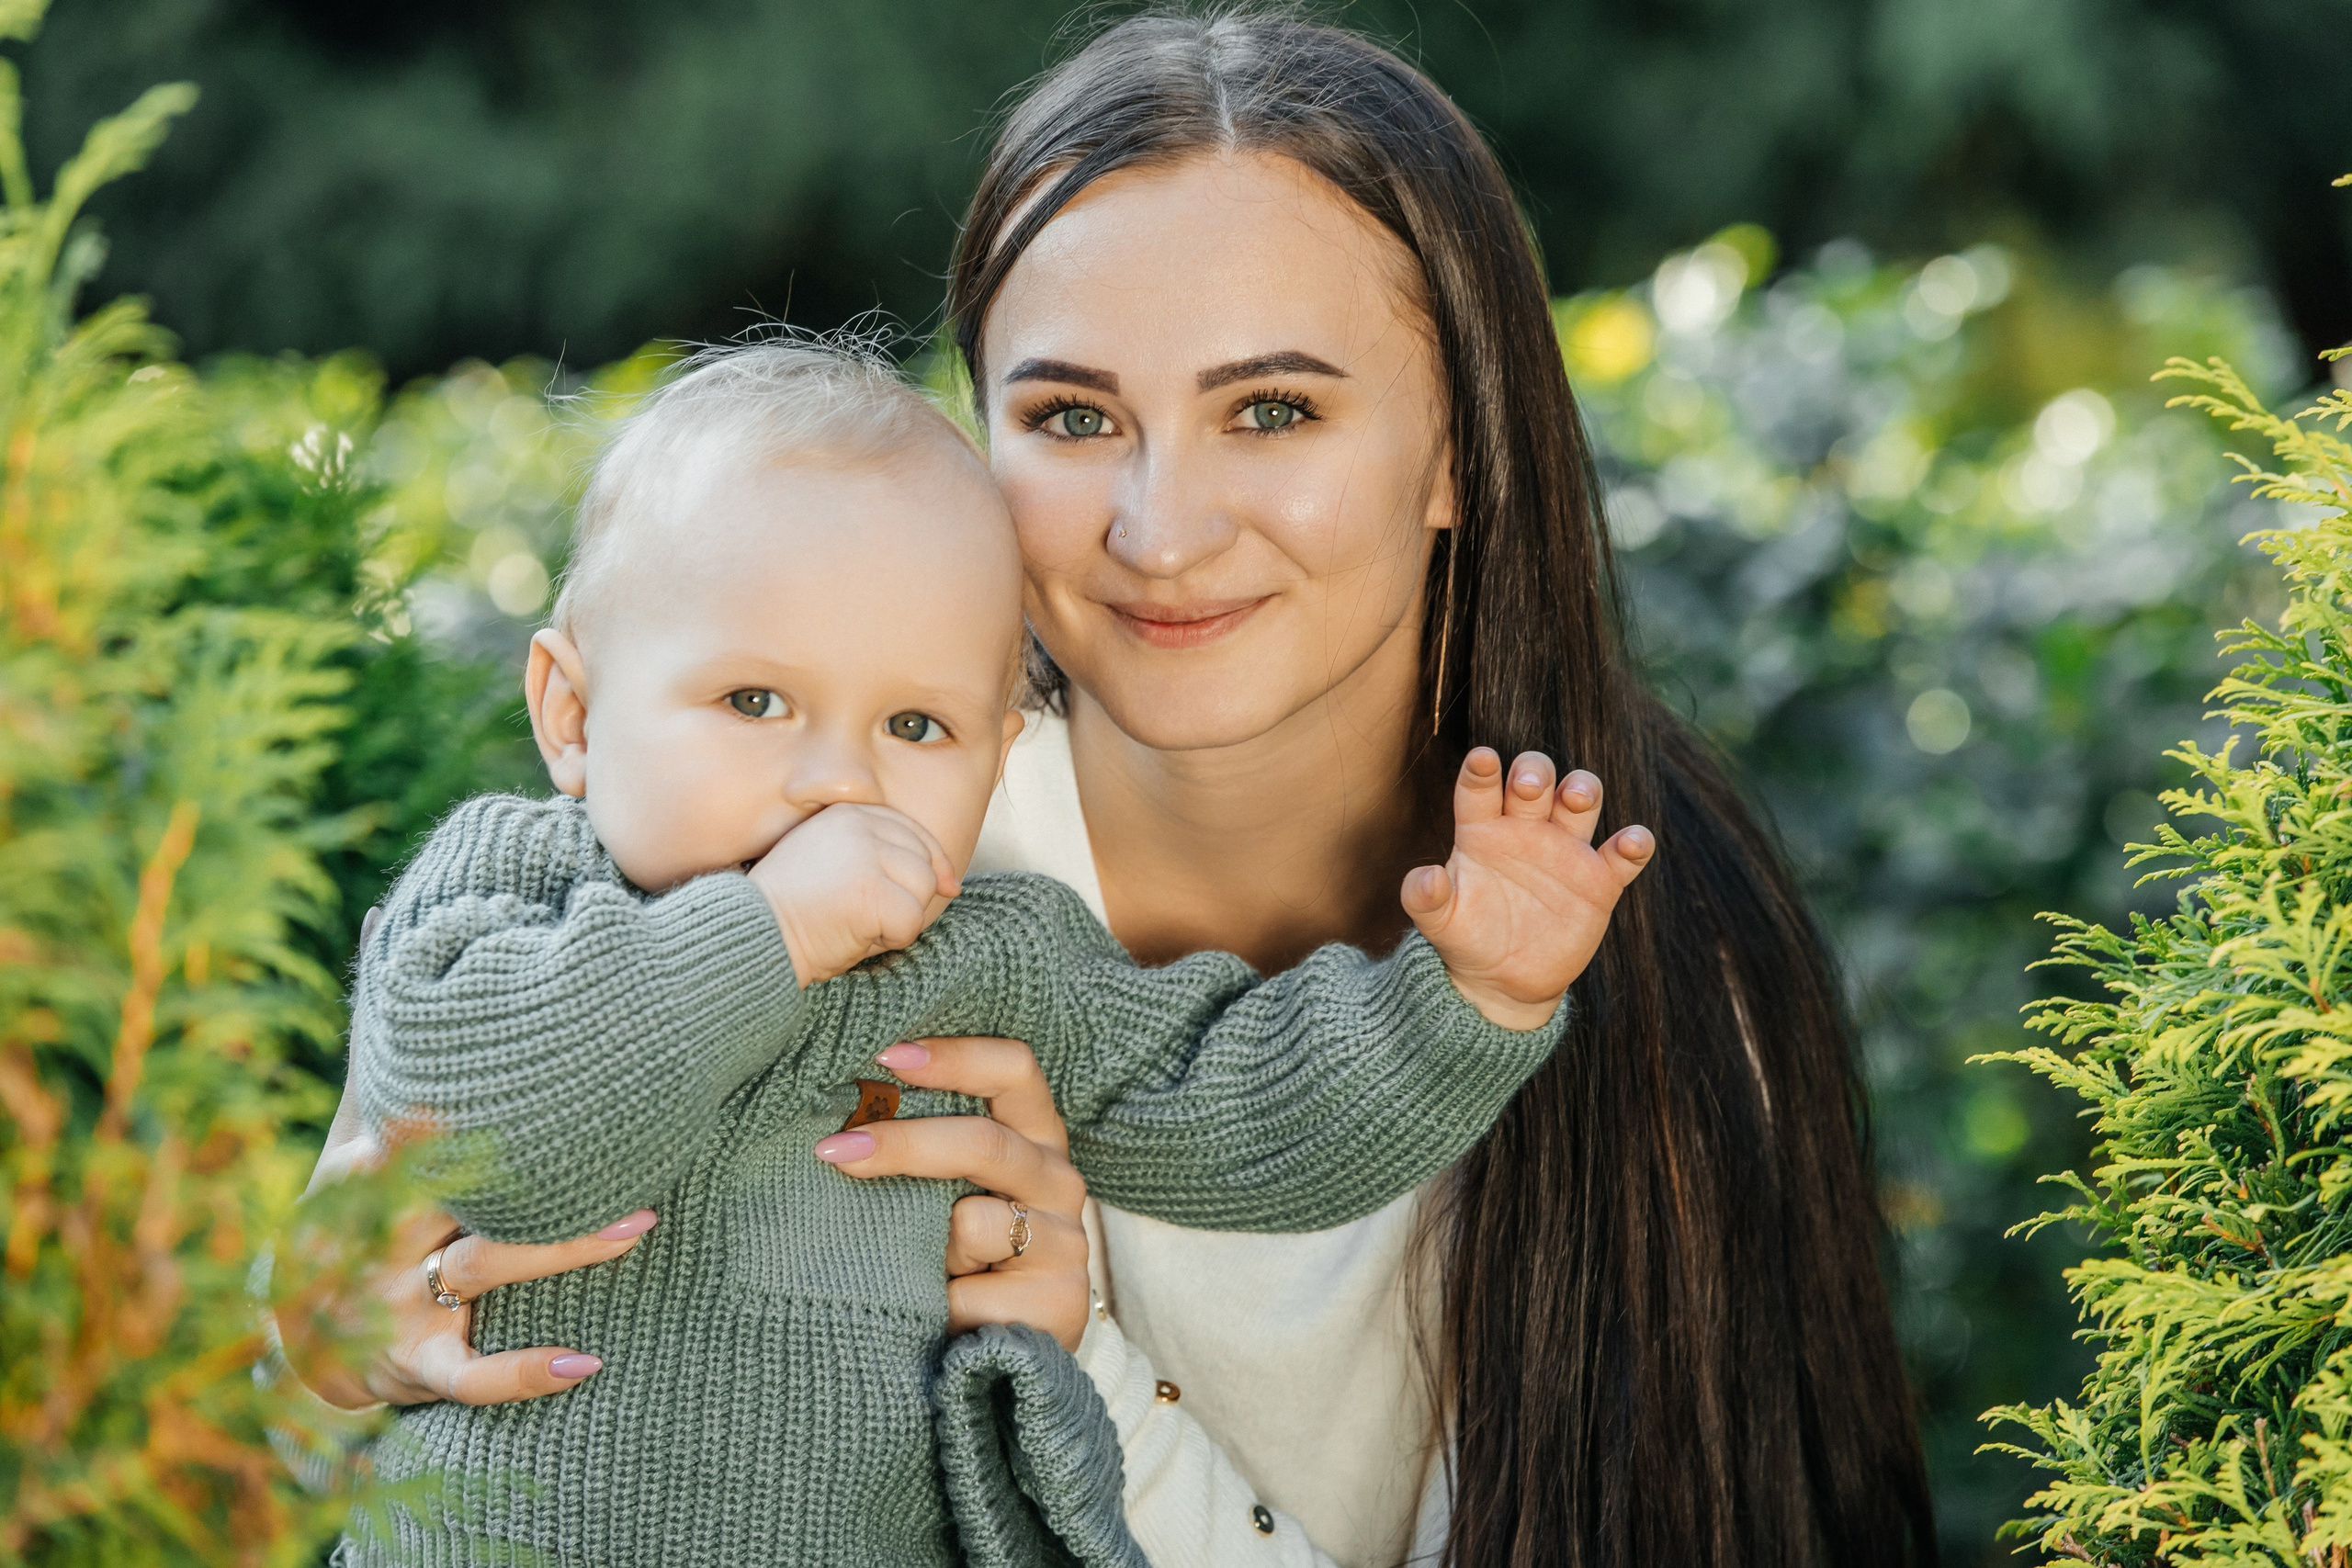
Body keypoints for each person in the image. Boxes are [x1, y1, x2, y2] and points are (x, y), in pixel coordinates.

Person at [294, 9, 1937, 1564]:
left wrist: (1081, 1367)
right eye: (1072, 415)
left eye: (1272, 409)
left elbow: (1269, 1120)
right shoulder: (759, 833)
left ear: (1457, 449)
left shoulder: (1637, 941)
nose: (1159, 528)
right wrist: (323, 1333)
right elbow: (294, 1347)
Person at [332, 338, 1646, 1567]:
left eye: (915, 726)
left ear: (994, 757)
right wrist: (774, 931)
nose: (836, 780)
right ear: (571, 712)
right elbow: (484, 1131)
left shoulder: (992, 963)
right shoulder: (516, 887)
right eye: (754, 702)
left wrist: (1469, 997)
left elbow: (1236, 1107)